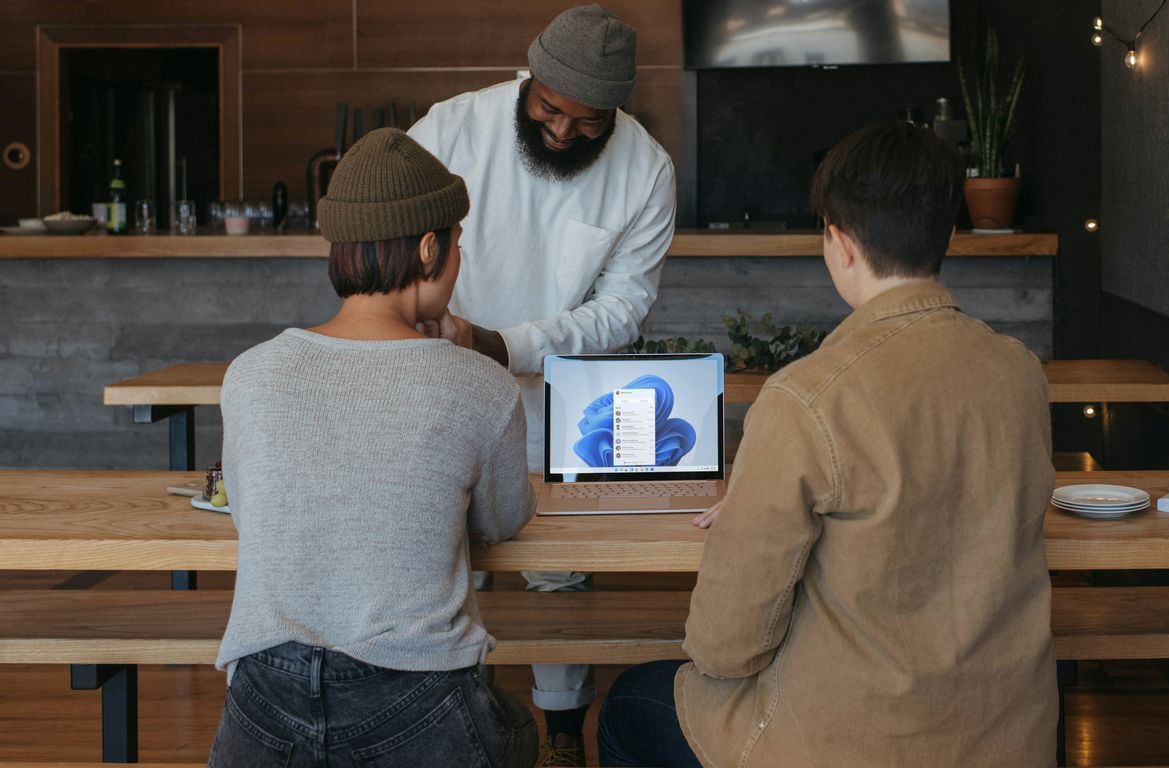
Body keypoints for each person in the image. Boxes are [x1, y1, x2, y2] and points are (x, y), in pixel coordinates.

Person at [596, 121, 1058, 767]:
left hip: (855, 743)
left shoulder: (808, 396)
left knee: (628, 705)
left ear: (838, 242)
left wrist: (760, 507)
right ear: (949, 233)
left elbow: (728, 646)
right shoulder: (1018, 371)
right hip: (1007, 737)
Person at [208, 127, 539, 768]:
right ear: (427, 247)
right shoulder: (481, 384)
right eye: (456, 245)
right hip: (416, 702)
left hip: (262, 704)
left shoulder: (250, 372)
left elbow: (252, 513)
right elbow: (501, 522)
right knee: (519, 730)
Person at [408, 5, 675, 764]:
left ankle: (562, 735)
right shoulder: (451, 129)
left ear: (616, 111)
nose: (562, 131)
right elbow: (390, 240)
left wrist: (503, 343)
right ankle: (458, 728)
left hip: (558, 398)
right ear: (530, 77)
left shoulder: (646, 169)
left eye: (587, 124)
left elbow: (622, 308)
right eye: (550, 110)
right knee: (443, 561)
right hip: (438, 385)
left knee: (558, 574)